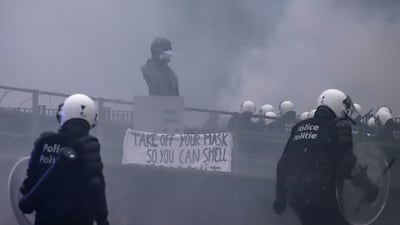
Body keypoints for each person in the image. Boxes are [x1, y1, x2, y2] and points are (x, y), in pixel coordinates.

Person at [273, 89, 362, 225]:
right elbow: (347, 164)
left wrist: (280, 198)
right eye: (344, 106)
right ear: (337, 105)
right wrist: (368, 186)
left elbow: (283, 165)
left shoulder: (299, 127)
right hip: (324, 198)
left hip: (297, 198)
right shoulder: (340, 126)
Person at [19, 94, 109, 225]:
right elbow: (95, 186)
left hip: (44, 219)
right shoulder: (88, 144)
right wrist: (102, 220)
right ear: (92, 118)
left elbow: (28, 185)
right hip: (77, 219)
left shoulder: (44, 142)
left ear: (62, 114)